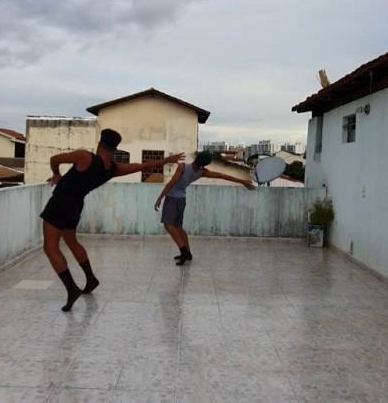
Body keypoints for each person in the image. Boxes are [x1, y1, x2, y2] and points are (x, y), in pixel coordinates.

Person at [41, 129, 184, 311]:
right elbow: (141, 166)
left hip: (60, 204)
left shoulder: (84, 157)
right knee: (71, 241)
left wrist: (56, 174)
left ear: (100, 143)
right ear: (115, 148)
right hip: (76, 206)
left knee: (50, 248)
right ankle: (91, 279)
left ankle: (72, 289)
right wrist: (166, 160)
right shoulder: (113, 169)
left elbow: (54, 159)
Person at [154, 152, 254, 265]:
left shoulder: (182, 167)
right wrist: (242, 181)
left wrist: (160, 197)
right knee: (178, 227)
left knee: (168, 225)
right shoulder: (202, 172)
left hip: (172, 198)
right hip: (182, 199)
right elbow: (223, 176)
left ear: (196, 158)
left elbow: (171, 183)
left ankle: (184, 251)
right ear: (205, 164)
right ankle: (188, 253)